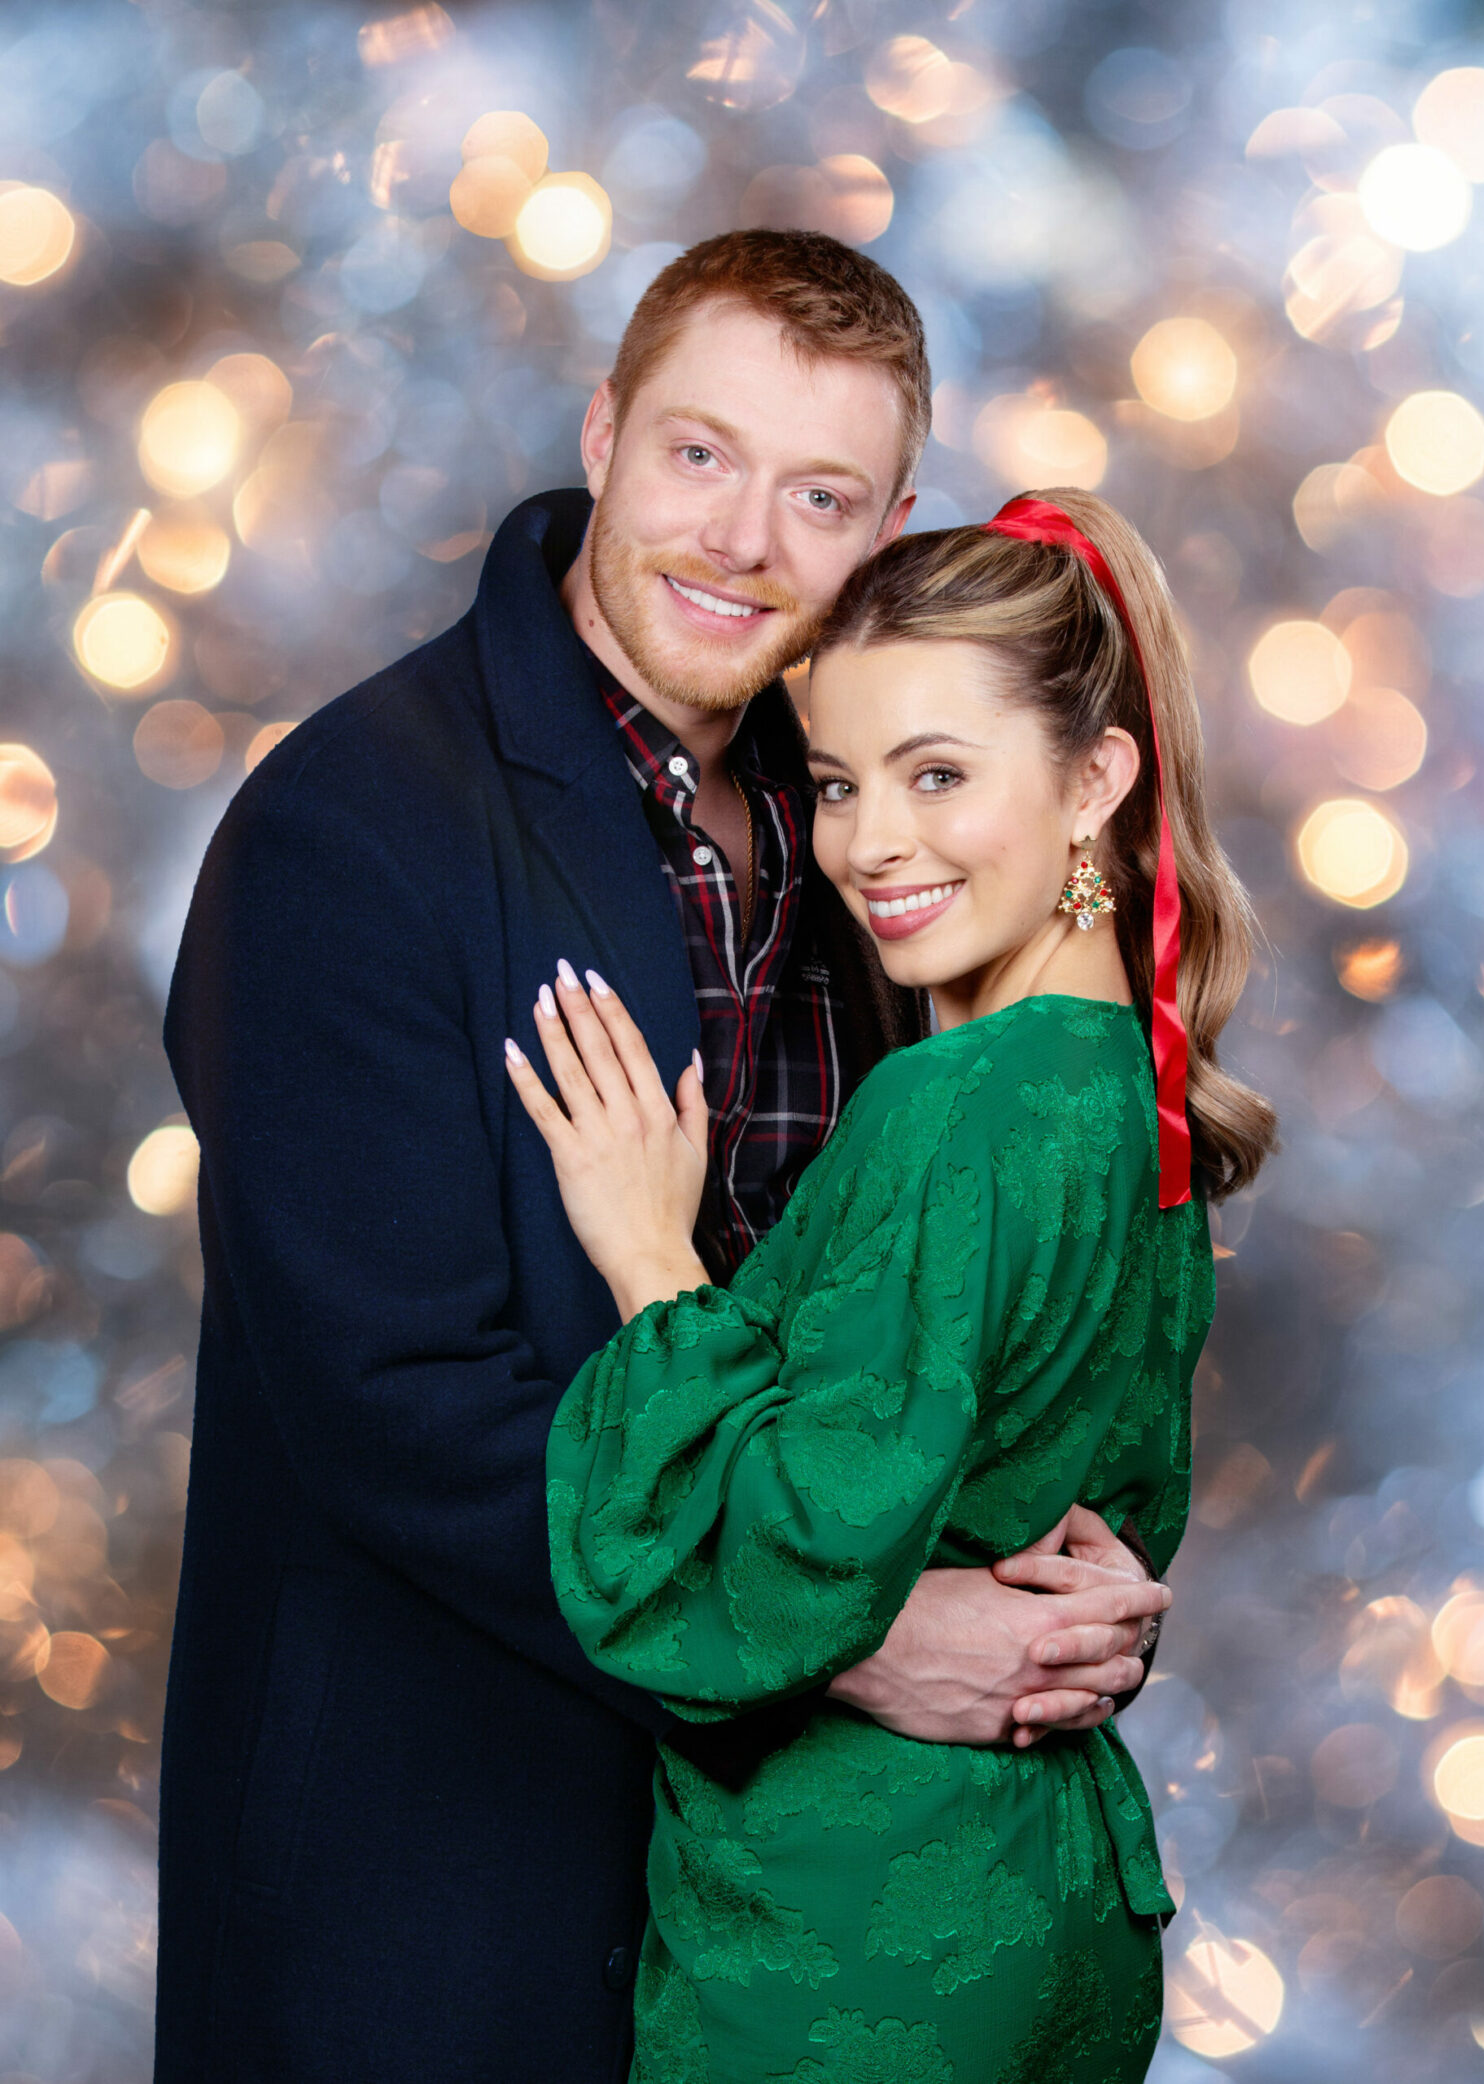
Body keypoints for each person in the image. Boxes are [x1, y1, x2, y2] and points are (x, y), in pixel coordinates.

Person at [156, 233, 1168, 2083]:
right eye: (701, 456)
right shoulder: (350, 830)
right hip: (442, 1879)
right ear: (607, 429)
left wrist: (1064, 1583)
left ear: (890, 522)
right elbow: (403, 1408)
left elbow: (931, 1313)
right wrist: (845, 1641)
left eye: (821, 495)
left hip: (788, 1902)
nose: (743, 541)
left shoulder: (875, 806)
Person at [509, 490, 1277, 2082]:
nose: (871, 844)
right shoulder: (1128, 1091)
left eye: (938, 775)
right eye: (844, 783)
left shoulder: (954, 1111)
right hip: (1051, 1902)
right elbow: (1102, 1526)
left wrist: (652, 1257)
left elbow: (789, 1548)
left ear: (1095, 782)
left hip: (855, 1943)